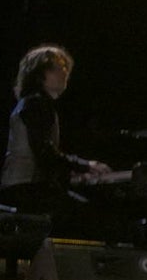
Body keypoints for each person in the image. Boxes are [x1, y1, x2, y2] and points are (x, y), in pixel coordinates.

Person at [1, 45, 112, 236]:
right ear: (39, 74)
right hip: (24, 189)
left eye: (65, 68)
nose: (65, 72)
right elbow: (44, 153)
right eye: (57, 68)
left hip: (25, 187)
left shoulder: (36, 103)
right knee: (89, 217)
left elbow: (44, 160)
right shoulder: (35, 103)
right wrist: (86, 165)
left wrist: (70, 176)